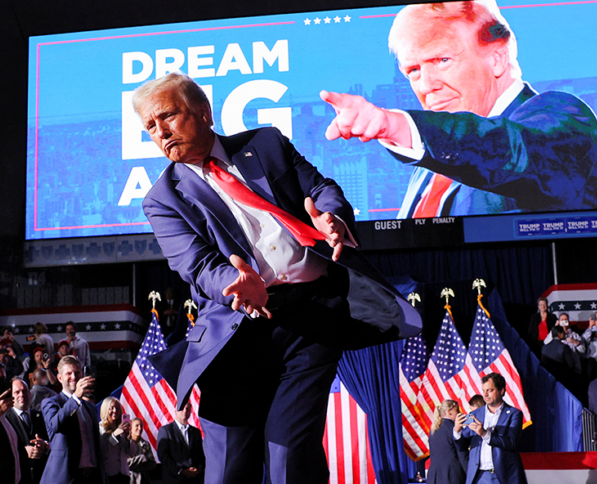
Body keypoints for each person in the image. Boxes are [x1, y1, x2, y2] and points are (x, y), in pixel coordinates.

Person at [136, 72, 420, 482]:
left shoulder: (265, 144)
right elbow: (195, 264)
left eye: (167, 116)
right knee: (230, 471)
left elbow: (322, 191)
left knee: (290, 455)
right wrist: (233, 284)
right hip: (232, 338)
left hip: (309, 319)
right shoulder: (163, 199)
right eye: (149, 126)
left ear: (203, 113)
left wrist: (332, 218)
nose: (160, 132)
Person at [320, 0, 597, 219]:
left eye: (442, 60)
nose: (426, 85)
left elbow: (509, 151)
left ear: (498, 58)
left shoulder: (562, 115)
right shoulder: (431, 164)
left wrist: (395, 125)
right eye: (413, 70)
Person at [40, 355, 104, 484]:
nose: (74, 377)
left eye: (77, 373)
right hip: (66, 478)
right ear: (59, 378)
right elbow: (55, 425)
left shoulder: (91, 407)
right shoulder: (51, 402)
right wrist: (75, 398)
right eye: (68, 373)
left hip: (92, 477)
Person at [454, 373, 526, 484]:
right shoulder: (474, 414)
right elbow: (462, 446)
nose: (485, 395)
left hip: (502, 476)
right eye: (483, 390)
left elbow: (511, 442)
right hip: (479, 476)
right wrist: (457, 431)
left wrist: (484, 433)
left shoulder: (514, 414)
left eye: (490, 390)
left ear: (501, 391)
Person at [7, 378, 50, 484]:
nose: (21, 395)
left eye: (24, 391)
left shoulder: (41, 416)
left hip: (41, 477)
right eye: (17, 392)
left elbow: (51, 440)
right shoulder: (5, 419)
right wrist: (22, 451)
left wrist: (44, 445)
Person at [156, 402, 205, 484]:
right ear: (175, 410)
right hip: (174, 479)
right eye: (182, 408)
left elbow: (201, 453)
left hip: (194, 480)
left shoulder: (196, 432)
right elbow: (163, 455)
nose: (185, 410)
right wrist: (181, 470)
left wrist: (199, 469)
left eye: (188, 408)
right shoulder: (166, 431)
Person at [427, 399, 467, 484]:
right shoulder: (454, 429)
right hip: (452, 476)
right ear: (449, 412)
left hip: (434, 477)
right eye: (457, 410)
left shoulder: (434, 429)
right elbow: (462, 451)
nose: (460, 413)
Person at [99, 396, 131, 484]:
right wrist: (114, 435)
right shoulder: (100, 428)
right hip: (109, 474)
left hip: (123, 474)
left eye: (117, 408)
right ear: (105, 410)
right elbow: (102, 450)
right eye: (111, 408)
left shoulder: (122, 427)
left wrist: (128, 439)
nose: (115, 411)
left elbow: (130, 453)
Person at [126, 418, 155, 484]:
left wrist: (140, 467)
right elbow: (125, 463)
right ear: (130, 428)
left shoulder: (145, 444)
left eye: (141, 426)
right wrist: (141, 458)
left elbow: (152, 463)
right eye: (137, 426)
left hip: (143, 479)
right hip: (129, 479)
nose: (139, 428)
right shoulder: (126, 443)